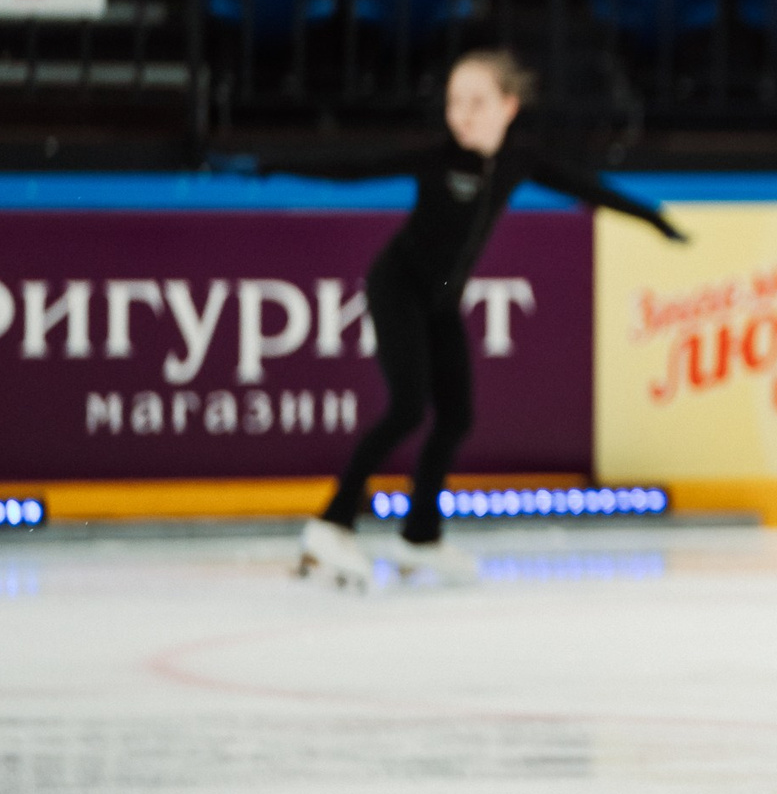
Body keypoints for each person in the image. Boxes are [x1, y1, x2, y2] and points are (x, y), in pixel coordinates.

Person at [290, 51, 685, 587]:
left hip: (440, 300)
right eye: (455, 102)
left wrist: (652, 217)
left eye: (476, 102)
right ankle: (331, 525)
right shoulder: (437, 158)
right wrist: (270, 162)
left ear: (508, 106)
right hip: (398, 288)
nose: (463, 114)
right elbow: (354, 170)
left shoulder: (517, 161)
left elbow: (584, 188)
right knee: (408, 409)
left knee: (455, 417)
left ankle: (420, 537)